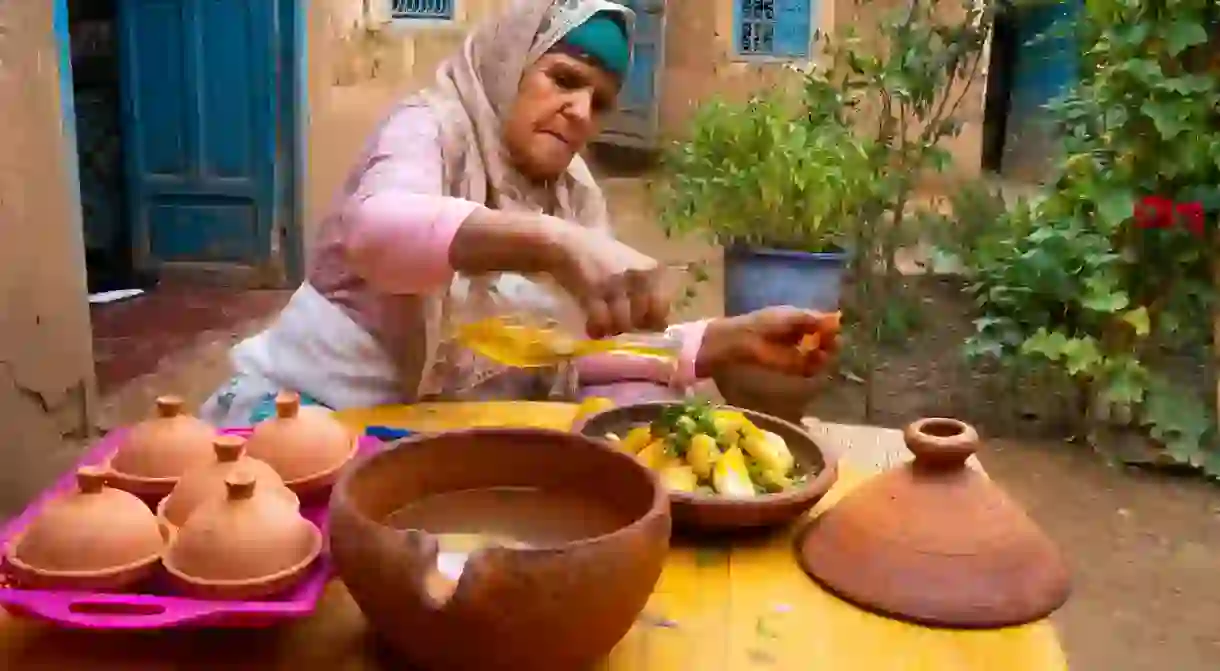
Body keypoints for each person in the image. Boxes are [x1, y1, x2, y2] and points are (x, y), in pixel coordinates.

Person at [199, 0, 839, 427]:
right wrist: (550, 245)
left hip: (417, 438)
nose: (582, 113)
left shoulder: (572, 192)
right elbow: (378, 234)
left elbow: (573, 353)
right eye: (563, 80)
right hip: (301, 415)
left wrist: (729, 340)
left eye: (601, 102)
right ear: (510, 64)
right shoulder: (434, 125)